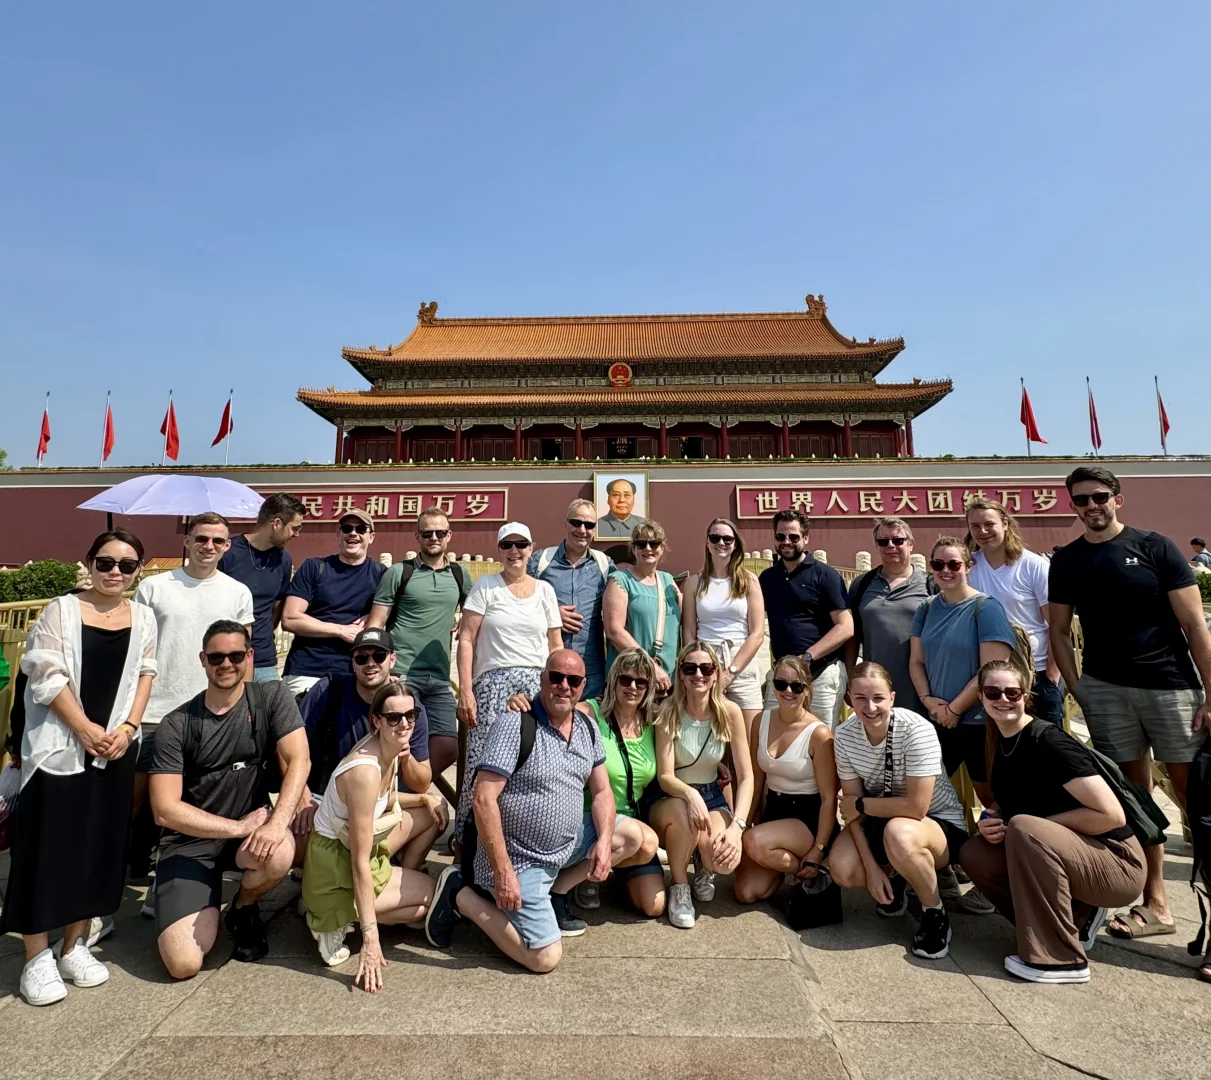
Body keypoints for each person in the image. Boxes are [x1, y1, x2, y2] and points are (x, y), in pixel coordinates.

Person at [1048, 464, 1211, 941]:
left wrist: (1210, 691)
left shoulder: (1155, 547)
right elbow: (1058, 630)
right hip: (1107, 690)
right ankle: (1156, 903)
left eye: (1099, 496)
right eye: (1081, 500)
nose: (1091, 506)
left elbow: (1194, 626)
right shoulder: (1069, 560)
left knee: (1194, 799)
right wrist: (1081, 689)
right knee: (1134, 800)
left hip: (1171, 686)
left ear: (1118, 498)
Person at [2, 531, 156, 1006]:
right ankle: (35, 955)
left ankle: (74, 945)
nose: (114, 572)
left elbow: (146, 672)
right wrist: (86, 728)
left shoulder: (143, 616)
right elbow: (46, 675)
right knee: (45, 847)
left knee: (97, 847)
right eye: (105, 562)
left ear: (137, 571)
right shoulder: (60, 610)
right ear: (88, 563)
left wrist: (128, 727)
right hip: (59, 748)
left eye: (126, 565)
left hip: (116, 747)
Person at [424, 651, 613, 974]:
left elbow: (603, 792)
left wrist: (605, 842)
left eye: (573, 680)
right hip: (519, 857)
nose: (563, 686)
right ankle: (463, 897)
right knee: (544, 959)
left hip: (564, 847)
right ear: (542, 679)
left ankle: (554, 893)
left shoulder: (586, 727)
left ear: (583, 686)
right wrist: (503, 871)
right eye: (556, 677)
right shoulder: (516, 724)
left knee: (633, 837)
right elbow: (483, 800)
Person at [959, 662, 1146, 983]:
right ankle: (1071, 919)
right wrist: (990, 818)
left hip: (1117, 860)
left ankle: (1061, 960)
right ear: (981, 697)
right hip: (1075, 852)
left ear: (1025, 696)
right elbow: (1010, 799)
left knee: (1024, 829)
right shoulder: (999, 738)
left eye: (1012, 692)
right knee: (975, 853)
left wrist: (1034, 824)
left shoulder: (1049, 742)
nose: (1003, 699)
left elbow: (1111, 815)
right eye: (992, 692)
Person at [148, 621, 310, 979]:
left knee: (280, 849)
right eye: (217, 657)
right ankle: (180, 893)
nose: (226, 664)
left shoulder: (270, 698)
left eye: (236, 655)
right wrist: (237, 827)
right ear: (203, 661)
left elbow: (300, 758)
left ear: (249, 657)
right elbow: (164, 809)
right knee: (183, 964)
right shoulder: (177, 725)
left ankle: (244, 906)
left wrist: (277, 822)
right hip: (191, 842)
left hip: (249, 837)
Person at [131, 512, 253, 873]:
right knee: (135, 802)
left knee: (190, 800)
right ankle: (117, 875)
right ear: (187, 541)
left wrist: (242, 707)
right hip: (155, 710)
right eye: (201, 539)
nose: (208, 546)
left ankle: (167, 876)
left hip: (210, 712)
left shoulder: (237, 592)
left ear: (227, 546)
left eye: (217, 540)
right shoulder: (154, 588)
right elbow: (136, 649)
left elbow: (244, 655)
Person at [509, 648, 666, 921]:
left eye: (641, 682)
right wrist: (523, 703)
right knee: (643, 838)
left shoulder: (654, 721)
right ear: (613, 680)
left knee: (655, 906)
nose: (632, 687)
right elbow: (557, 704)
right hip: (586, 814)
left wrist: (721, 765)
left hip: (628, 820)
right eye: (625, 679)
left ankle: (595, 873)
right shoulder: (590, 713)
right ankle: (561, 889)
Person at [828, 663, 969, 960]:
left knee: (900, 833)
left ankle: (934, 912)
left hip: (936, 823)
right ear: (848, 700)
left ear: (892, 698)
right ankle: (898, 876)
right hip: (882, 820)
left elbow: (916, 807)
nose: (870, 706)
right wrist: (871, 868)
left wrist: (862, 805)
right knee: (842, 867)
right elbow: (849, 808)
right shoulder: (844, 735)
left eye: (878, 698)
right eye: (861, 698)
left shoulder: (917, 729)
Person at [301, 680, 437, 988]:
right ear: (376, 720)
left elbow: (386, 801)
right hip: (336, 864)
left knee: (421, 906)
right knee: (427, 898)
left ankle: (351, 911)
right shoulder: (365, 770)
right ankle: (333, 920)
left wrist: (425, 798)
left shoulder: (388, 749)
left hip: (350, 846)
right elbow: (359, 862)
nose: (404, 723)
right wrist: (371, 940)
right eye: (394, 717)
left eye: (410, 715)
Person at [296, 628, 445, 871]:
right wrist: (301, 796)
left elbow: (422, 782)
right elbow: (288, 747)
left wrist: (405, 757)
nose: (370, 663)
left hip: (376, 802)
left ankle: (401, 875)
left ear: (392, 660)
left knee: (436, 810)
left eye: (379, 656)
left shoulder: (409, 706)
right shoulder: (330, 690)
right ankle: (320, 874)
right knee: (294, 841)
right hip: (328, 802)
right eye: (361, 658)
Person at [455, 522, 562, 836]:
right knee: (482, 765)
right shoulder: (485, 586)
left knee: (533, 764)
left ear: (531, 548)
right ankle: (468, 841)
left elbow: (555, 644)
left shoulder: (545, 590)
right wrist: (466, 689)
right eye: (507, 545)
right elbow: (466, 639)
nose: (515, 551)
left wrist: (557, 687)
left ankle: (522, 834)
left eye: (521, 545)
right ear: (499, 550)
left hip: (536, 687)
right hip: (492, 686)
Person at [650, 641, 754, 929]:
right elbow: (665, 775)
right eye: (690, 668)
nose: (699, 674)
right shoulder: (668, 711)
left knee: (723, 859)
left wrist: (737, 826)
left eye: (706, 668)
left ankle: (702, 861)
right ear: (680, 674)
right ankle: (679, 886)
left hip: (712, 794)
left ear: (716, 673)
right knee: (686, 819)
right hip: (672, 796)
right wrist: (690, 794)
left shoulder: (729, 712)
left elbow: (746, 776)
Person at [909, 536, 1015, 810]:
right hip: (938, 719)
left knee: (992, 797)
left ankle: (1005, 848)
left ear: (968, 566)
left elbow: (992, 670)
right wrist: (928, 700)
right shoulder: (926, 607)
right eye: (938, 564)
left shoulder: (986, 607)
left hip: (979, 722)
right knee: (925, 796)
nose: (945, 570)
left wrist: (955, 709)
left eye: (954, 564)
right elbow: (916, 661)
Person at [366, 508, 468, 781]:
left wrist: (464, 620)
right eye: (427, 532)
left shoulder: (459, 575)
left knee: (448, 747)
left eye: (440, 532)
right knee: (400, 741)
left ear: (449, 535)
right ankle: (391, 797)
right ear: (417, 536)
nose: (434, 537)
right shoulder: (400, 573)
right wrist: (376, 667)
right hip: (403, 675)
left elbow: (478, 613)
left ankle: (411, 789)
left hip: (438, 677)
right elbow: (376, 623)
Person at [733, 656, 838, 906]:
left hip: (807, 818)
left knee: (754, 843)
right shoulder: (761, 721)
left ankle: (815, 866)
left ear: (807, 690)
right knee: (745, 892)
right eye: (781, 684)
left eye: (796, 686)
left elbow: (829, 797)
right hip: (774, 812)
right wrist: (744, 822)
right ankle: (794, 870)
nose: (788, 691)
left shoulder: (819, 734)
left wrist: (818, 847)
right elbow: (756, 780)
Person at [965, 496, 1064, 725]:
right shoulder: (968, 567)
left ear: (1005, 524)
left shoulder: (1033, 566)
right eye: (975, 526)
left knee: (1045, 748)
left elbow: (1057, 626)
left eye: (989, 524)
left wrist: (1051, 676)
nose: (983, 531)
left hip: (1035, 673)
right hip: (989, 675)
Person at [758, 509, 853, 729]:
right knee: (773, 736)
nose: (786, 542)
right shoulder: (767, 578)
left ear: (806, 538)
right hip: (783, 677)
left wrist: (808, 657)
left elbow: (845, 627)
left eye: (793, 537)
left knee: (823, 740)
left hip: (821, 673)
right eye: (780, 537)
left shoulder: (825, 575)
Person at [281, 509, 384, 697]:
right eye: (347, 528)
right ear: (339, 535)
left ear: (371, 537)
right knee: (302, 727)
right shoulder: (314, 567)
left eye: (361, 529)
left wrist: (376, 615)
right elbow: (289, 619)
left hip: (358, 674)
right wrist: (340, 630)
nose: (353, 533)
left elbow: (402, 609)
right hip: (307, 671)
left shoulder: (381, 574)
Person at [682, 517, 766, 732]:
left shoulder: (749, 581)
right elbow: (689, 631)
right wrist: (698, 666)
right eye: (715, 537)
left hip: (741, 661)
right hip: (706, 661)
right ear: (707, 543)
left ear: (735, 544)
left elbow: (757, 633)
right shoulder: (694, 583)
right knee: (711, 737)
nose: (721, 543)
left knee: (749, 738)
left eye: (727, 538)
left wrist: (730, 673)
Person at [843, 516, 933, 715]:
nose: (890, 546)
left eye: (898, 540)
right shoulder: (862, 584)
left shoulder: (930, 585)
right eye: (883, 542)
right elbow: (853, 635)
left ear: (911, 544)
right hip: (873, 687)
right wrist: (849, 676)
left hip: (920, 687)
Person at [528, 499, 616, 701]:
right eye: (576, 523)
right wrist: (551, 613)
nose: (582, 530)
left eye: (589, 525)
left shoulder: (605, 565)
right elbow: (519, 600)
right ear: (565, 524)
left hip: (590, 674)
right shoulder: (541, 561)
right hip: (548, 670)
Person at [218, 492, 306, 683]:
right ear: (276, 524)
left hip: (264, 660)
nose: (296, 535)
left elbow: (276, 607)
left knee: (268, 712)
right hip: (225, 658)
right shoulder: (228, 553)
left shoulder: (283, 559)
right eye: (294, 528)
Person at [603, 520, 681, 696]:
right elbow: (614, 631)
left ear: (662, 548)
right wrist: (651, 667)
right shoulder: (620, 580)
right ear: (634, 548)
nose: (648, 548)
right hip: (630, 679)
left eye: (654, 543)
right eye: (641, 544)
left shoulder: (668, 581)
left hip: (667, 682)